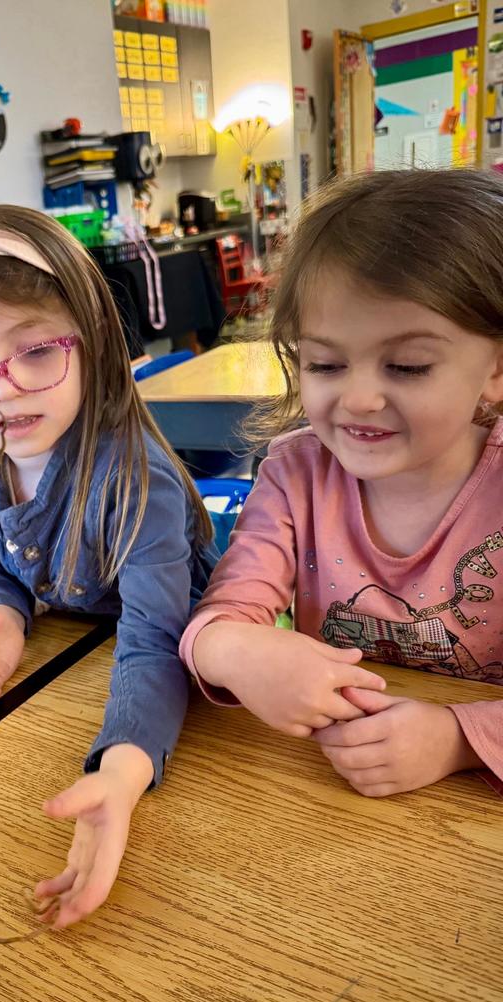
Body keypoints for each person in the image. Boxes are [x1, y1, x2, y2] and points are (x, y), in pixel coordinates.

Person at [0, 205, 218, 927]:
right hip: (70, 654)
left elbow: (155, 639)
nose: (1, 388)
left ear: (93, 343)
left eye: (36, 352)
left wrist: (120, 773)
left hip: (164, 656)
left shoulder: (136, 483)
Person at [180, 168, 503, 797]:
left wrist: (457, 739)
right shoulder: (293, 475)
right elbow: (218, 620)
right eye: (325, 363)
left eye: (407, 366)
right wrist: (239, 650)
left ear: (496, 370)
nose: (356, 398)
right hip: (317, 800)